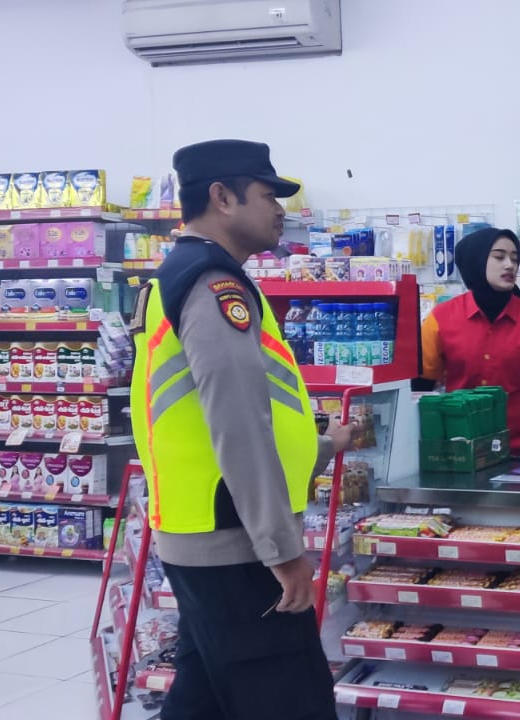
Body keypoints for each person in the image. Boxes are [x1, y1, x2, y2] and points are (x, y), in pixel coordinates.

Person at [130, 139, 350, 720]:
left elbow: (209, 418)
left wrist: (321, 446)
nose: (280, 209)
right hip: (236, 544)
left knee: (203, 699)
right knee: (292, 703)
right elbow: (237, 422)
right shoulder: (213, 284)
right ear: (222, 198)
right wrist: (280, 548)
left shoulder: (181, 276)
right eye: (267, 194)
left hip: (204, 531)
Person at [420, 228, 520, 458]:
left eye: (515, 258)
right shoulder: (440, 319)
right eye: (499, 257)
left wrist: (517, 409)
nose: (509, 265)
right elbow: (422, 386)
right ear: (477, 260)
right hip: (460, 447)